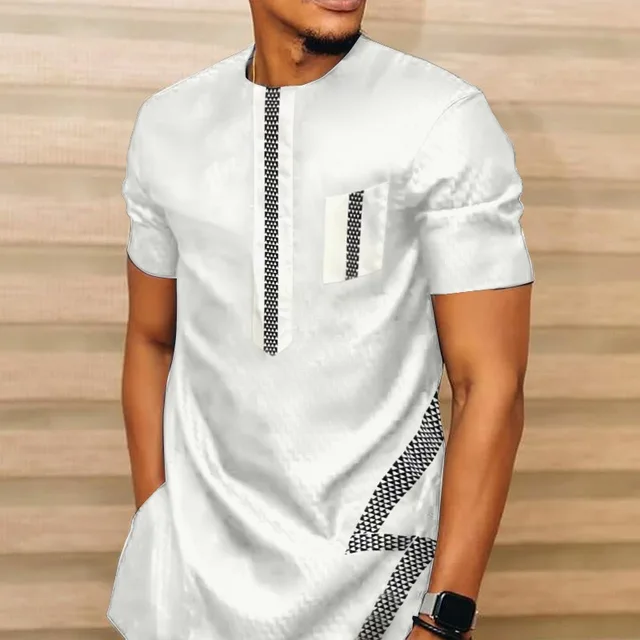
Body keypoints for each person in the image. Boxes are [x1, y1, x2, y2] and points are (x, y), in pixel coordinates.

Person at [106, 0, 534, 638]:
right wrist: (157, 532)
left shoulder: (441, 118)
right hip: (195, 594)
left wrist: (444, 618)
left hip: (380, 586)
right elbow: (151, 341)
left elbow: (490, 383)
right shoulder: (169, 125)